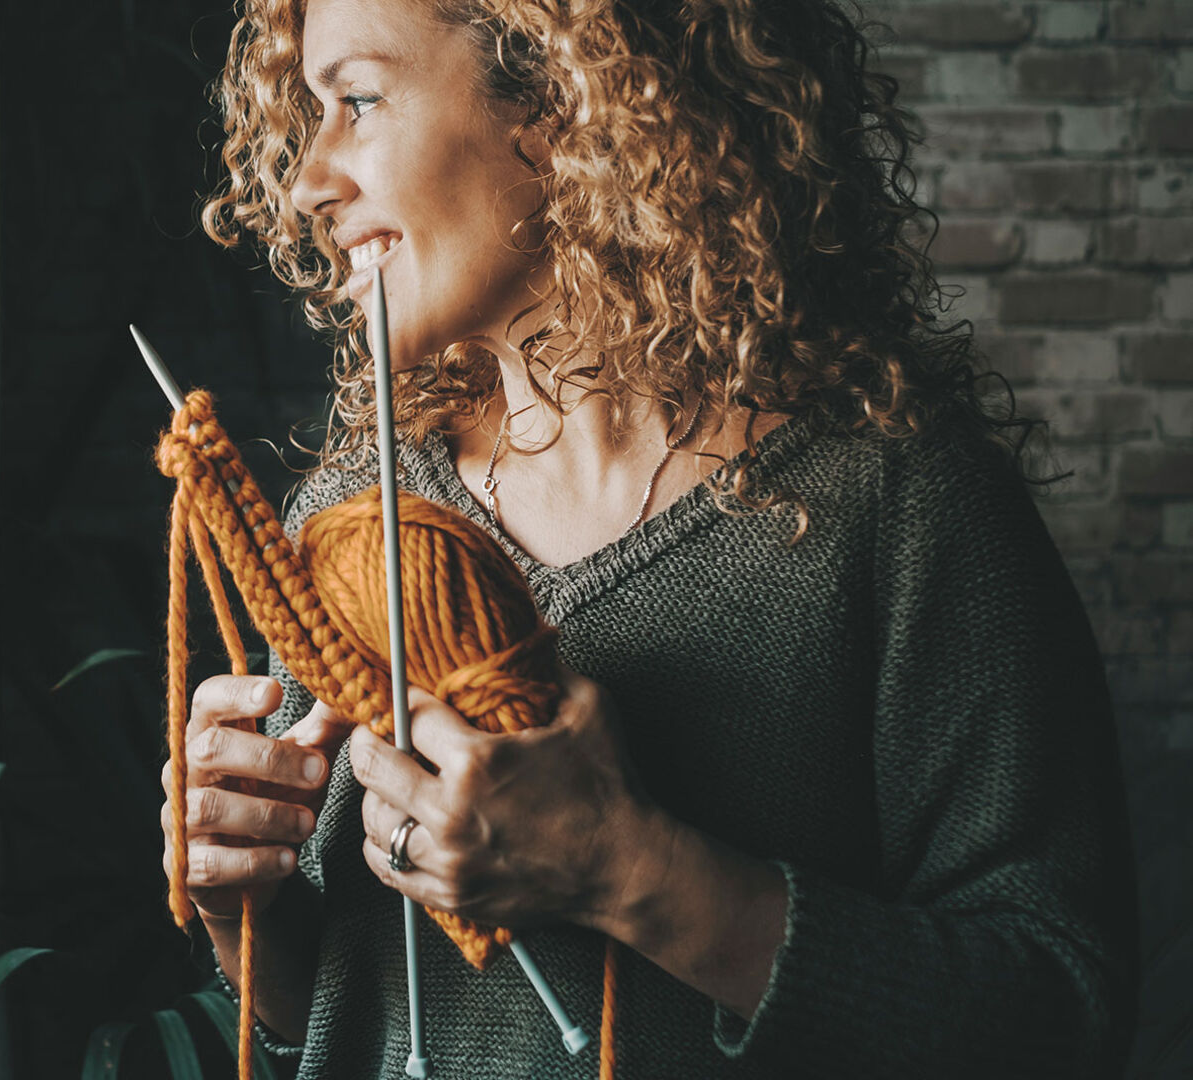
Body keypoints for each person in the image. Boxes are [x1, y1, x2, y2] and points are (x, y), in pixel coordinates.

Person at [157, 0, 1139, 1076]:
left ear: (562, 102)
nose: (306, 181)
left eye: (355, 100)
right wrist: (240, 903)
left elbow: (1060, 1014)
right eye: (308, 112)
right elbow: (329, 1018)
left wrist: (630, 872)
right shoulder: (350, 523)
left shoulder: (895, 505)